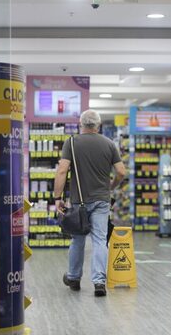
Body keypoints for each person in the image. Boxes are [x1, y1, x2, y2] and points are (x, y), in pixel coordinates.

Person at [54, 110, 127, 296]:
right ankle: (99, 283)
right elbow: (121, 172)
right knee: (100, 240)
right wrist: (111, 185)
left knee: (77, 239)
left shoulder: (71, 143)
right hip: (102, 200)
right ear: (98, 125)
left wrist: (57, 197)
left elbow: (62, 171)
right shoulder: (109, 144)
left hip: (79, 202)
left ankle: (73, 278)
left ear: (81, 123)